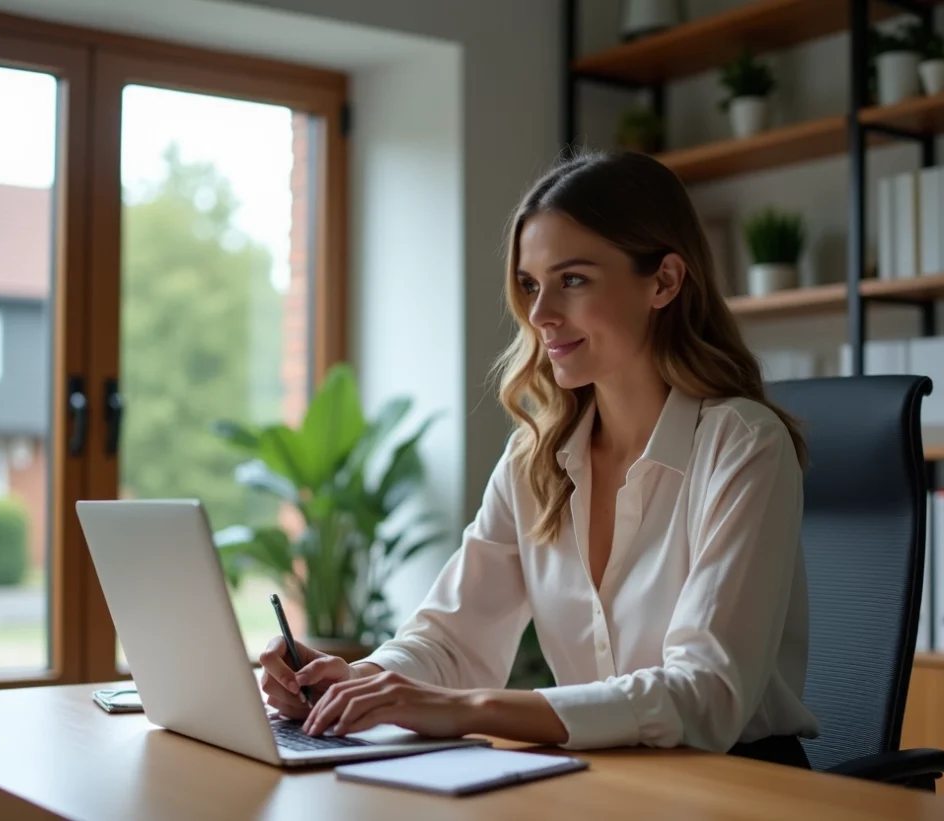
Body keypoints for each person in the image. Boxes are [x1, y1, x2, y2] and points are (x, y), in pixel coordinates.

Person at [259, 149, 821, 768]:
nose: (540, 314)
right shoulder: (537, 459)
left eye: (572, 280)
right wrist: (358, 682)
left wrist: (470, 709)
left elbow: (705, 694)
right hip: (603, 777)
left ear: (664, 281)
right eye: (530, 284)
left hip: (739, 782)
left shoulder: (743, 444)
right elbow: (452, 638)